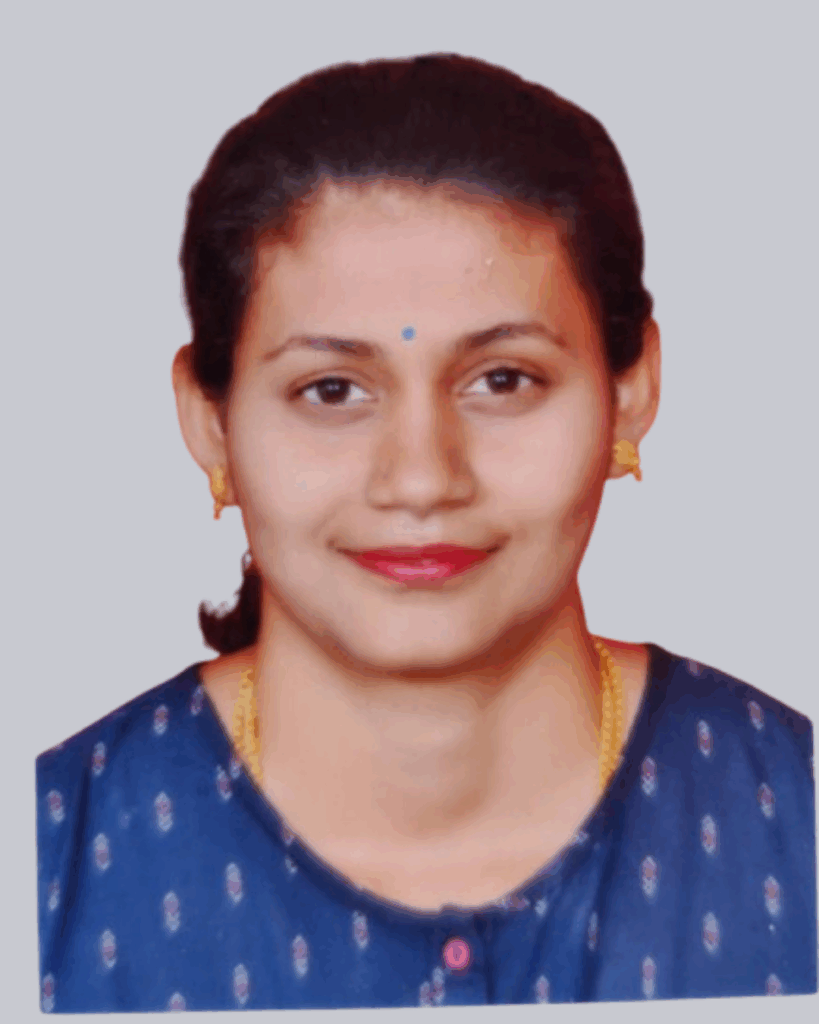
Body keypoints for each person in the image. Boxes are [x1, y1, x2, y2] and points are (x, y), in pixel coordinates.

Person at [35, 53, 816, 1012]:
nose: (420, 479)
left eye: (502, 380)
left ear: (630, 391)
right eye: (331, 390)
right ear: (209, 421)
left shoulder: (792, 815)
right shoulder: (50, 863)